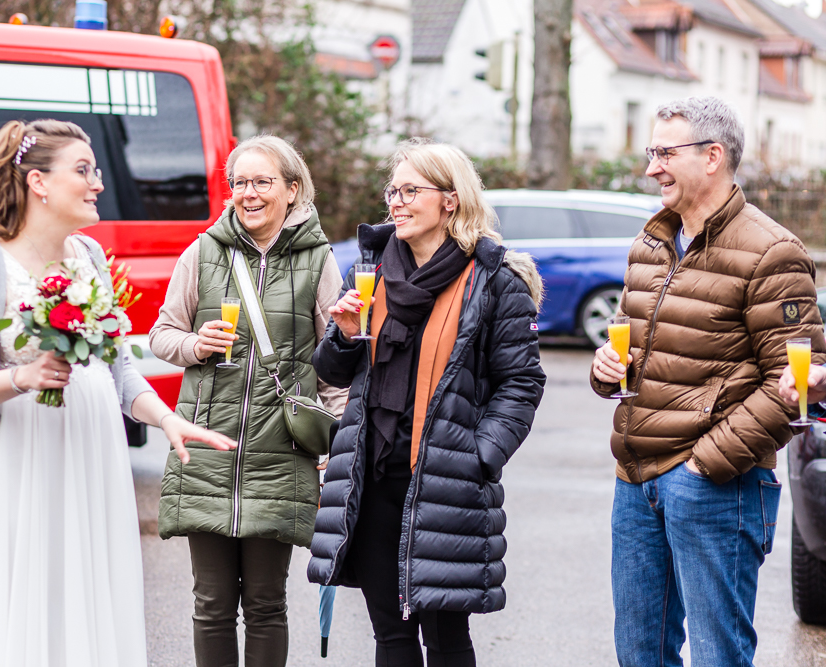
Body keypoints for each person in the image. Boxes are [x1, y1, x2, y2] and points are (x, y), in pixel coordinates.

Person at [0, 119, 235, 667]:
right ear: (38, 181)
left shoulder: (88, 256)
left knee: (77, 590)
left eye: (96, 170)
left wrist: (166, 418)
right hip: (8, 465)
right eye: (83, 170)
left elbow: (118, 371)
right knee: (5, 596)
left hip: (87, 459)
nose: (98, 183)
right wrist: (22, 377)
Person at [591, 97, 826, 667]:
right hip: (635, 479)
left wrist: (705, 465)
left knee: (719, 655)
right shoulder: (650, 242)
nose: (652, 168)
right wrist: (605, 369)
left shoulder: (772, 252)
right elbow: (632, 343)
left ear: (713, 156)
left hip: (715, 485)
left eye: (665, 153)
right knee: (640, 654)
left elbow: (800, 380)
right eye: (652, 153)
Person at [306, 138, 546, 667]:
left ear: (451, 199)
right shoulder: (370, 272)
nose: (396, 201)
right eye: (393, 190)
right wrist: (344, 336)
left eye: (411, 190)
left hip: (444, 481)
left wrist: (479, 454)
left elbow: (521, 383)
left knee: (445, 639)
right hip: (369, 479)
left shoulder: (493, 281)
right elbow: (331, 370)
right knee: (390, 636)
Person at [149, 134, 347, 667]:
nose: (249, 193)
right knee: (211, 604)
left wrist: (338, 437)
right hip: (208, 447)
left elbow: (336, 361)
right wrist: (195, 344)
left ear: (292, 190)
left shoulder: (319, 261)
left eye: (263, 182)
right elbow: (161, 334)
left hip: (281, 449)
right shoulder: (204, 251)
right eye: (240, 182)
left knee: (265, 603)